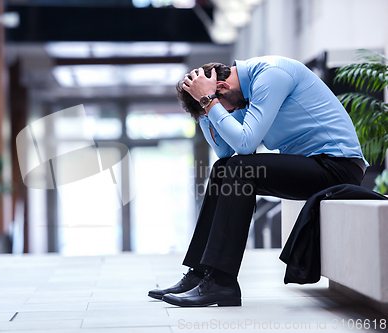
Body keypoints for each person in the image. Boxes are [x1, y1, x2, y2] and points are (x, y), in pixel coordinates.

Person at [148, 56, 368, 307]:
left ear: (221, 88)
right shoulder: (241, 92)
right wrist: (206, 108)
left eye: (223, 107)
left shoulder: (270, 76)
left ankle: (222, 281)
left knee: (240, 169)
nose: (227, 112)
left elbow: (245, 144)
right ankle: (200, 274)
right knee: (224, 169)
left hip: (338, 166)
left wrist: (209, 102)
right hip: (313, 164)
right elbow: (224, 151)